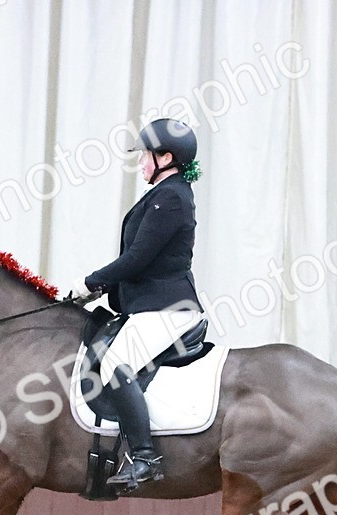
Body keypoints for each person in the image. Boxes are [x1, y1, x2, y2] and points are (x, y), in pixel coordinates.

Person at [83, 118, 205, 492]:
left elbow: (137, 258)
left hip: (167, 308)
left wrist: (92, 280)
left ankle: (145, 458)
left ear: (166, 157)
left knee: (117, 365)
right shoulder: (167, 193)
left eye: (146, 156)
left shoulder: (170, 197)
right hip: (151, 305)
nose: (141, 163)